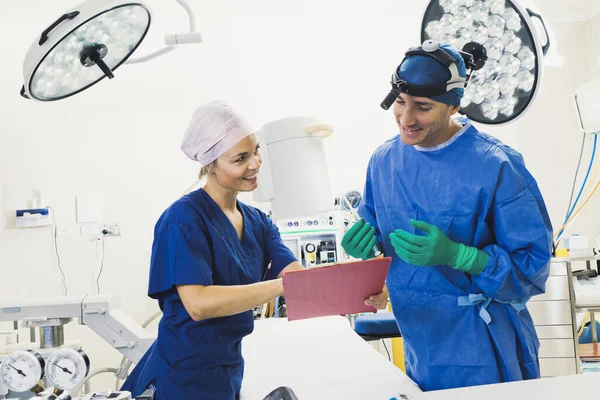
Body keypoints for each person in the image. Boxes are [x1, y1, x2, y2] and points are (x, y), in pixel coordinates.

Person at [341, 41, 553, 391]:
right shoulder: (384, 162)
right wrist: (367, 251)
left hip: (483, 342)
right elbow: (380, 237)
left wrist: (461, 256)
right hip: (421, 344)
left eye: (422, 107)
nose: (406, 119)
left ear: (453, 105)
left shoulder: (496, 165)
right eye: (400, 102)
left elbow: (533, 266)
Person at [121, 101, 304, 400]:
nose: (256, 163)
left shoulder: (258, 222)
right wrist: (282, 286)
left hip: (228, 367)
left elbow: (300, 281)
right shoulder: (183, 220)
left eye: (256, 150)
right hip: (183, 375)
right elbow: (198, 304)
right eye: (240, 158)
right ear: (210, 164)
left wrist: (366, 288)